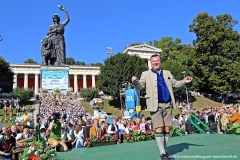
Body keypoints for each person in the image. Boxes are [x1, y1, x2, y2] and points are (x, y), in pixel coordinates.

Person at [132, 54, 193, 160]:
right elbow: (140, 86)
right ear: (150, 63)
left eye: (157, 60)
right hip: (155, 105)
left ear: (160, 62)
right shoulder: (145, 74)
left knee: (167, 128)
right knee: (159, 128)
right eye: (153, 61)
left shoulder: (167, 73)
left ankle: (165, 151)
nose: (155, 62)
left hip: (168, 104)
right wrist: (136, 82)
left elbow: (175, 84)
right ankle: (163, 153)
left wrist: (184, 82)